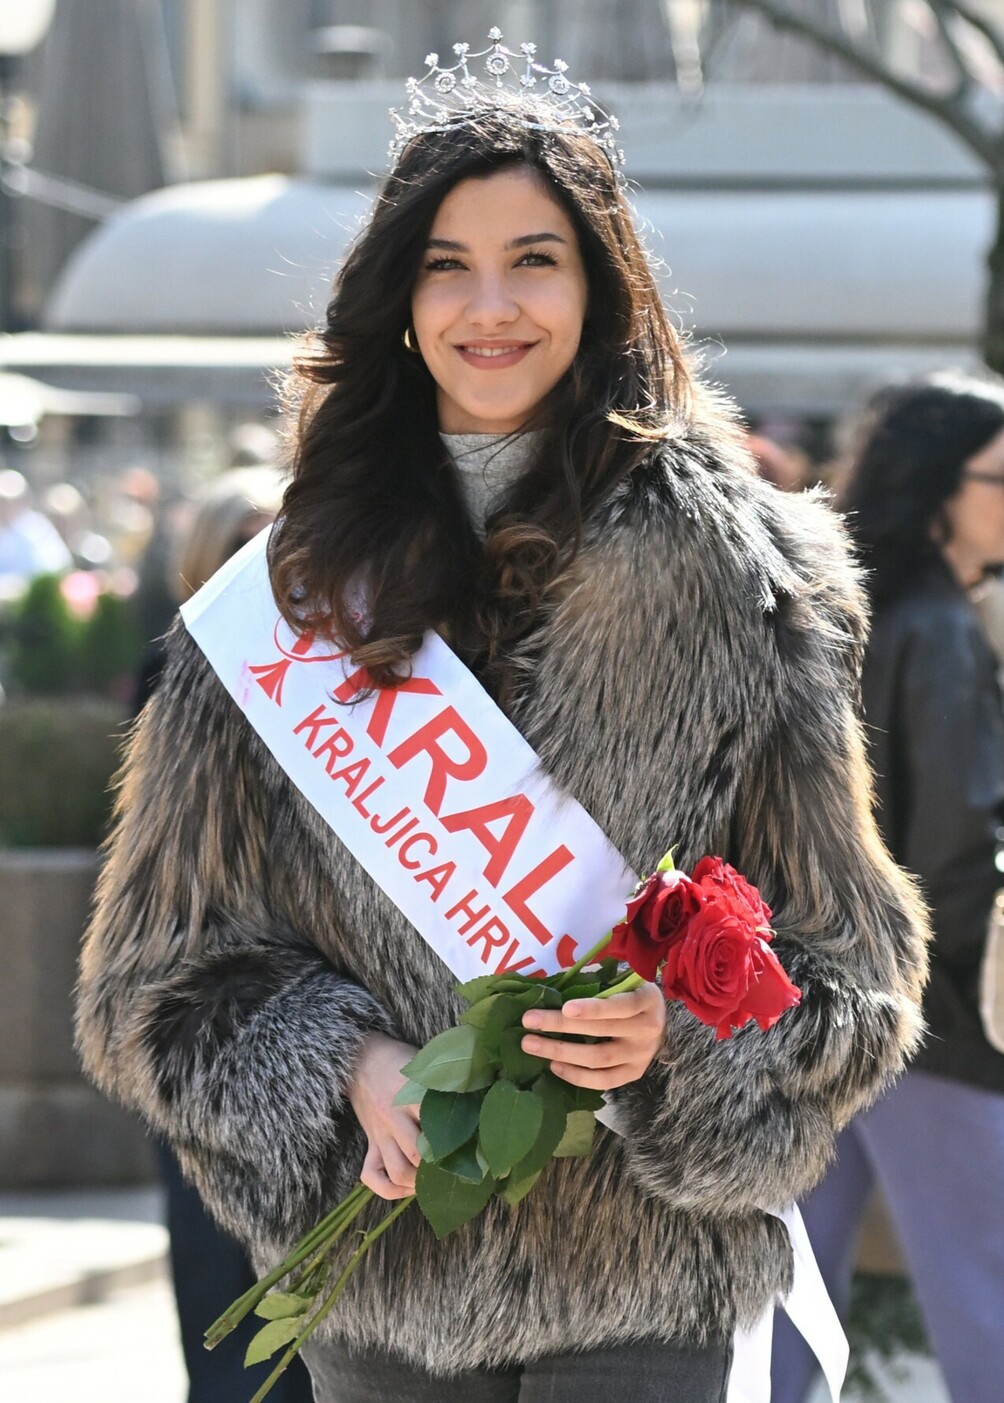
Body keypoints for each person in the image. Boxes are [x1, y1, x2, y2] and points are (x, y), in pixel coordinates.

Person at [76, 34, 928, 1403]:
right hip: (387, 1269)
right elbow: (148, 985)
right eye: (445, 262)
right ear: (396, 296)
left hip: (652, 1261)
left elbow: (856, 972)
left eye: (536, 258)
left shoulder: (749, 579)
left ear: (603, 284)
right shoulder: (283, 593)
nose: (492, 304)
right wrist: (346, 1063)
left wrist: (681, 1033)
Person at [770, 371, 1004, 1403]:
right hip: (934, 1017)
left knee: (786, 1300)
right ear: (937, 487)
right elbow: (958, 852)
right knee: (994, 1289)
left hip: (813, 1003)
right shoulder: (942, 630)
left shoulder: (861, 614)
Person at [132, 465, 314, 1403]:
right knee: (227, 1330)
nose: (270, 559)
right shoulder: (175, 689)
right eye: (246, 538)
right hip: (216, 1039)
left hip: (339, 1049)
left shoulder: (362, 681)